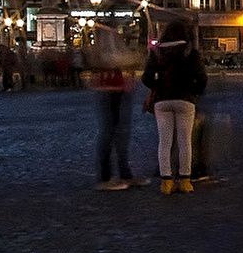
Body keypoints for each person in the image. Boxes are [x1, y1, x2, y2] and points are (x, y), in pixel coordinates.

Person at [142, 19, 207, 194]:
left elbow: (146, 78)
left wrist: (158, 84)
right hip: (185, 99)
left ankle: (166, 182)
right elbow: (202, 78)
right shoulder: (190, 52)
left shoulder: (157, 52)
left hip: (163, 100)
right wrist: (194, 91)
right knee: (185, 141)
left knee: (165, 142)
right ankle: (185, 181)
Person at [85, 23, 144, 191]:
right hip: (109, 90)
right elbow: (113, 59)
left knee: (120, 133)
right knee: (110, 132)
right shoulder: (105, 39)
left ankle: (124, 173)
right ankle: (105, 177)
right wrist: (133, 58)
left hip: (118, 88)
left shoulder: (108, 38)